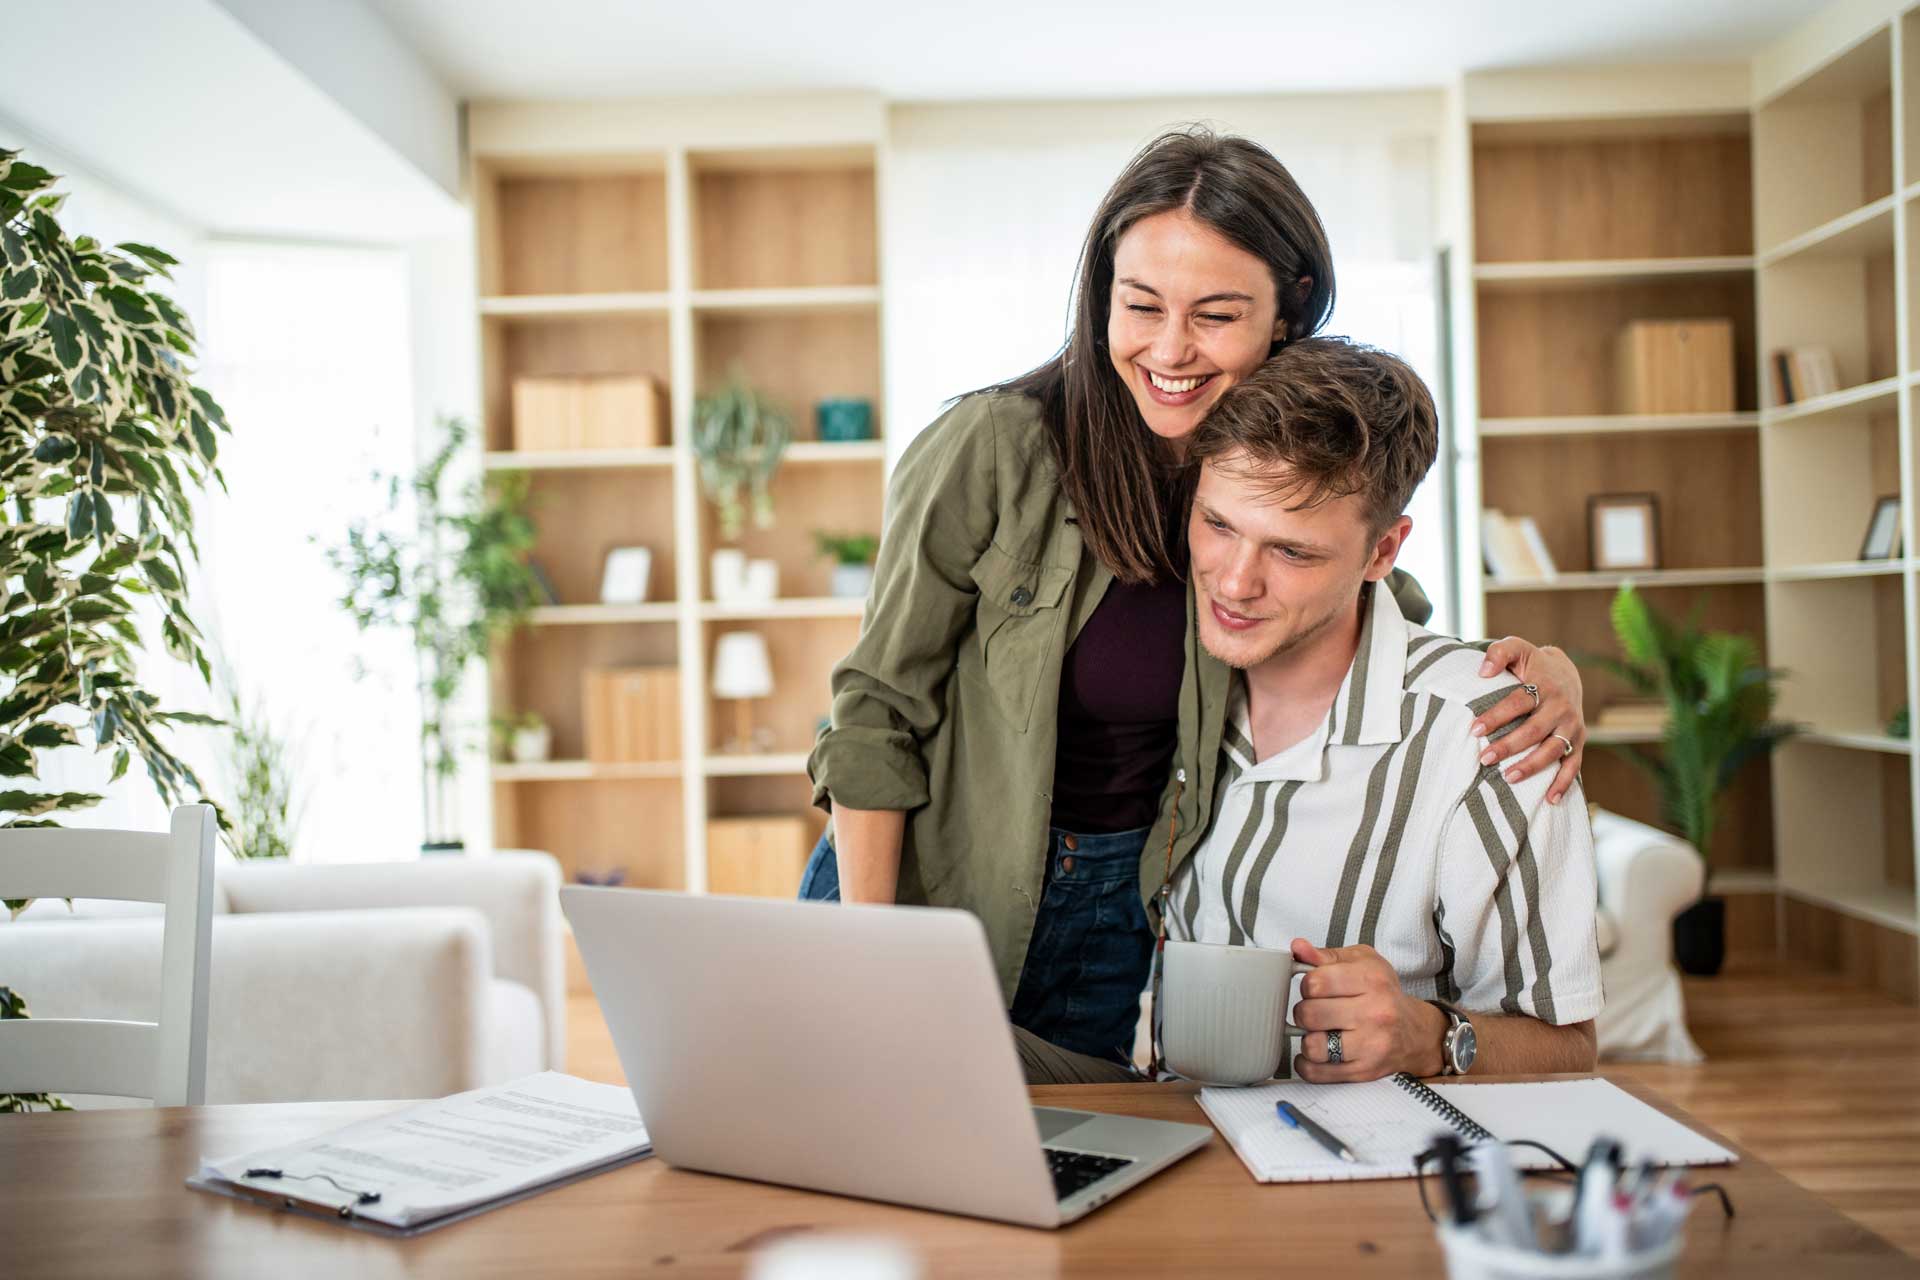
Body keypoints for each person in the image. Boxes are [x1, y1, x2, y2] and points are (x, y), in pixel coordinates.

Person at [802, 126, 1590, 1078]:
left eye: (1215, 315)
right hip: (923, 884)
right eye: (1140, 305)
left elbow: (1366, 601)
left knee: (1057, 1187)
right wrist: (869, 948)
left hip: (1112, 915)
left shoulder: (1257, 464)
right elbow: (875, 712)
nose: (1169, 350)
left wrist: (1540, 672)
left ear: (1288, 313)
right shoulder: (992, 446)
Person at [1020, 338, 1599, 1086]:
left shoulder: (1490, 739)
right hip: (1179, 1139)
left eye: (1291, 553)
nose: (1234, 583)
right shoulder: (1160, 687)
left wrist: (1430, 1036)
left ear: (1383, 550)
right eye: (1218, 525)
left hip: (1372, 1175)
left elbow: (1572, 1049)